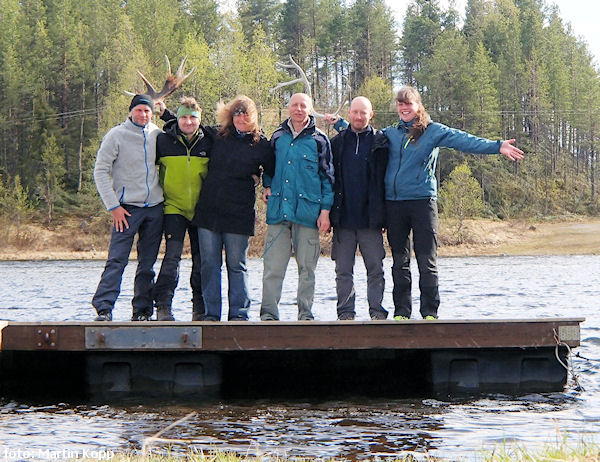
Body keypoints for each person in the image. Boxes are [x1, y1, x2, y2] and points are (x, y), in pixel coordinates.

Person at [331, 86, 523, 320]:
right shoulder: (390, 134)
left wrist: (497, 146)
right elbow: (362, 132)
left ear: (417, 106)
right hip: (394, 204)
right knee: (400, 262)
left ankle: (429, 312)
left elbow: (464, 140)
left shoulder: (432, 131)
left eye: (408, 104)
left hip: (422, 202)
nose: (404, 108)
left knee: (426, 260)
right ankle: (402, 312)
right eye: (400, 104)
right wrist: (341, 124)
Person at [193, 95, 275, 321]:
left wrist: (264, 182)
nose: (241, 117)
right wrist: (165, 113)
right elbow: (189, 126)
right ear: (230, 115)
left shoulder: (262, 144)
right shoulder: (217, 135)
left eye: (245, 113)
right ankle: (211, 315)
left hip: (239, 214)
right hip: (210, 211)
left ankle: (239, 315)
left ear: (253, 116)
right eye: (237, 113)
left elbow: (272, 169)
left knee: (236, 265)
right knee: (209, 265)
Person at [92, 94, 169, 321]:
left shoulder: (157, 134)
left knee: (147, 264)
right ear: (130, 112)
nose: (143, 115)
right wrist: (113, 206)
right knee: (117, 260)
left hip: (154, 208)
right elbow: (100, 171)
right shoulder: (116, 136)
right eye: (139, 110)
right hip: (125, 209)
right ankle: (104, 308)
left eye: (147, 111)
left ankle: (142, 311)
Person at [260, 93, 334, 321]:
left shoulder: (320, 140)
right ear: (288, 108)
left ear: (310, 110)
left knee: (307, 269)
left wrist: (325, 211)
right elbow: (269, 169)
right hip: (279, 212)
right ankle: (269, 316)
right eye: (295, 105)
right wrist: (267, 187)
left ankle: (305, 315)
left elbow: (328, 178)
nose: (299, 109)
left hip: (308, 213)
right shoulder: (277, 137)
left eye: (303, 106)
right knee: (273, 268)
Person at [323, 97, 389, 321]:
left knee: (376, 270)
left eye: (363, 113)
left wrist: (385, 217)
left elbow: (386, 181)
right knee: (343, 272)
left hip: (371, 220)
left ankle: (377, 313)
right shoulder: (337, 143)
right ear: (349, 114)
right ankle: (345, 314)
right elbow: (327, 179)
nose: (359, 116)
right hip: (343, 219)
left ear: (371, 115)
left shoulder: (382, 142)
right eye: (355, 112)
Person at [153, 96, 211, 321]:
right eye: (184, 117)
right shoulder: (163, 141)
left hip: (201, 210)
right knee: (172, 258)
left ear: (199, 120)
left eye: (193, 118)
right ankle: (163, 307)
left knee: (201, 260)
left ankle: (199, 309)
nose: (188, 122)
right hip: (173, 208)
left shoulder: (209, 140)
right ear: (177, 119)